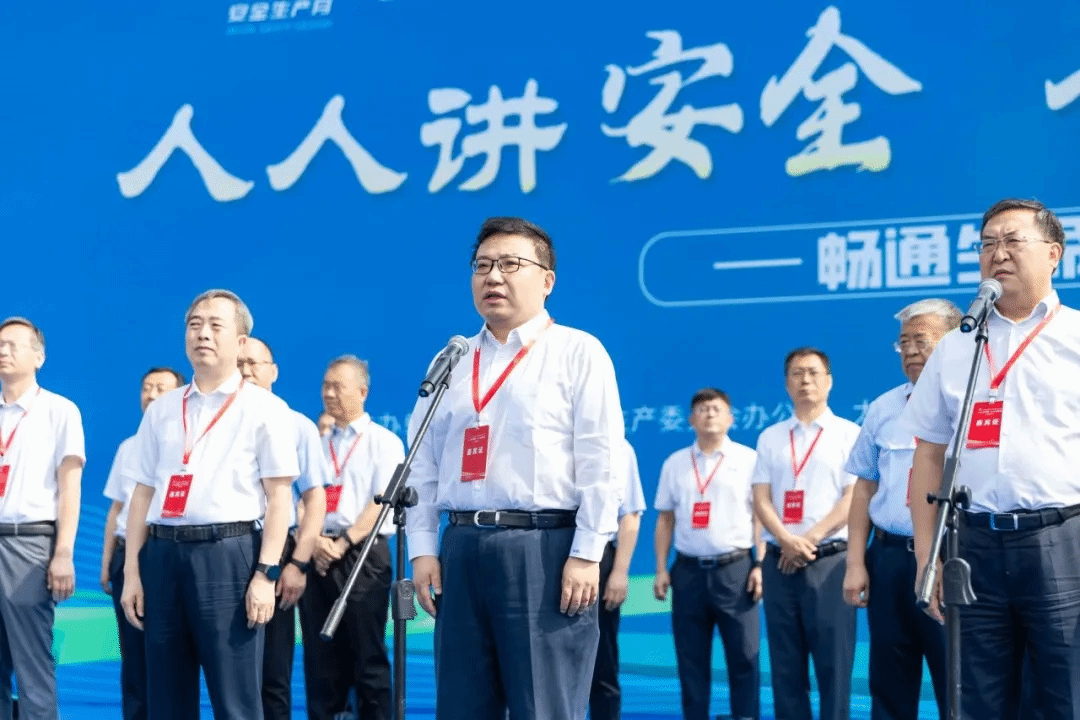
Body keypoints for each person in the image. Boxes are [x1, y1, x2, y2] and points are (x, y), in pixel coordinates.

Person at [406, 216, 625, 720]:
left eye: (510, 264)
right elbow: (422, 463)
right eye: (482, 265)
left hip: (544, 549)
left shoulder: (577, 351)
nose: (493, 277)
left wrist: (587, 553)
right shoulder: (453, 358)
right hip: (462, 547)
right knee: (461, 707)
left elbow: (601, 461)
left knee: (543, 707)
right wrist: (422, 549)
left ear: (547, 280)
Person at [902, 198, 1080, 719]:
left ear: (1054, 253)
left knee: (1066, 695)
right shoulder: (957, 347)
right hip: (973, 543)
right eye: (987, 244)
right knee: (977, 699)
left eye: (1012, 241)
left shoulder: (1075, 336)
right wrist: (927, 557)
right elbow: (928, 455)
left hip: (1061, 541)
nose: (997, 253)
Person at [119, 289, 300, 720]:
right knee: (166, 700)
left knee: (235, 701)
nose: (202, 333)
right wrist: (132, 574)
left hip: (229, 557)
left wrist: (265, 575)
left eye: (215, 325)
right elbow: (142, 494)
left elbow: (279, 500)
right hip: (162, 556)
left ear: (241, 342)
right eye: (194, 324)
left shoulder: (267, 409)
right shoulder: (162, 409)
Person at [842, 299, 961, 720]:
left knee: (957, 680)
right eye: (903, 343)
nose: (910, 351)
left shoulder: (970, 403)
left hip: (949, 557)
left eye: (921, 341)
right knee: (890, 683)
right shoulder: (884, 407)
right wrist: (855, 563)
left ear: (954, 340)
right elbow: (864, 488)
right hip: (889, 559)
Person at [751, 348, 860, 720]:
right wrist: (786, 540)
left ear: (829, 381)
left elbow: (853, 498)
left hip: (829, 562)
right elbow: (761, 498)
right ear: (787, 384)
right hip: (780, 562)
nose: (805, 380)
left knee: (834, 666)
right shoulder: (771, 437)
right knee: (785, 668)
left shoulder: (848, 434)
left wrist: (808, 539)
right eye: (797, 373)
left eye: (813, 372)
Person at [300, 355, 403, 720]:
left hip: (362, 554)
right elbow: (303, 498)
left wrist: (342, 543)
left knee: (367, 655)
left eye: (337, 387)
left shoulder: (383, 441)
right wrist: (314, 541)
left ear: (362, 392)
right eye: (325, 386)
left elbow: (382, 503)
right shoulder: (316, 442)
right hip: (317, 554)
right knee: (320, 658)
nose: (328, 394)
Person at [653, 387, 764, 720]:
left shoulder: (748, 460)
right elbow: (665, 519)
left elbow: (760, 516)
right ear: (691, 419)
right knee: (690, 660)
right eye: (702, 409)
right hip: (687, 572)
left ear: (730, 418)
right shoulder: (675, 463)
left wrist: (760, 564)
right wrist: (661, 568)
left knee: (744, 657)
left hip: (736, 569)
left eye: (717, 408)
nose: (710, 413)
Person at [237, 338, 329, 720]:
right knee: (232, 673)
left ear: (273, 371)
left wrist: (298, 564)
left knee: (273, 672)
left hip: (276, 551)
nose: (246, 371)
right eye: (239, 363)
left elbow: (315, 498)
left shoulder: (297, 425)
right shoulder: (221, 421)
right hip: (229, 547)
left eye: (254, 363)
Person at [0, 317, 85, 720]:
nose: (3, 351)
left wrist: (63, 552)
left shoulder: (59, 411)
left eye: (13, 345)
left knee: (32, 665)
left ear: (39, 357)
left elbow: (70, 487)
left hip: (28, 545)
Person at [100, 366, 186, 720]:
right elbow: (116, 509)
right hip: (126, 555)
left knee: (169, 655)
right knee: (133, 657)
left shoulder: (188, 443)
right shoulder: (128, 447)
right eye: (146, 388)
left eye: (161, 388)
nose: (151, 395)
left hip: (165, 552)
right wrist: (107, 563)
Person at [590, 437, 647, 720]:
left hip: (600, 558)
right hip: (547, 553)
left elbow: (630, 514)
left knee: (603, 660)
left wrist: (620, 572)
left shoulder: (618, 446)